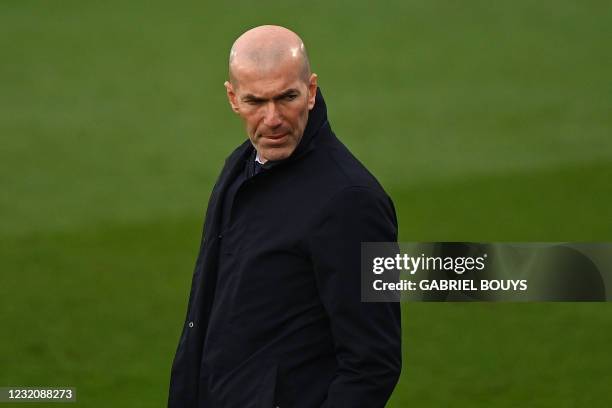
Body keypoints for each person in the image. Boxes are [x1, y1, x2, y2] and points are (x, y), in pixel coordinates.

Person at [168, 25, 401, 408]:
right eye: (256, 101)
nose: (273, 118)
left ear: (310, 91)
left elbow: (374, 362)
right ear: (232, 98)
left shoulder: (352, 201)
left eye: (286, 97)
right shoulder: (239, 167)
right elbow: (204, 312)